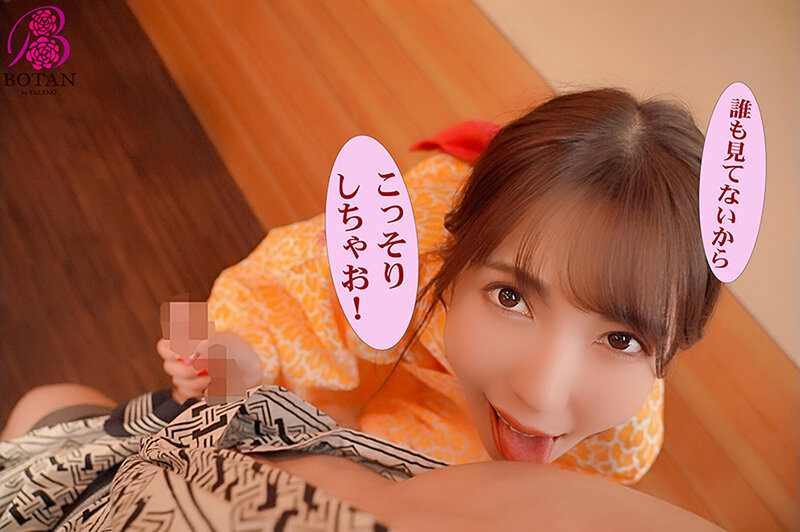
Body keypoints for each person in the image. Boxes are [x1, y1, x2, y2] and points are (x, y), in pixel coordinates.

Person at [0, 87, 723, 529]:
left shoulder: (619, 437)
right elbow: (287, 294)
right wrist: (239, 354)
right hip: (362, 406)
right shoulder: (401, 253)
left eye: (622, 339)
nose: (543, 392)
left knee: (49, 406)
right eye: (510, 297)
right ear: (452, 260)